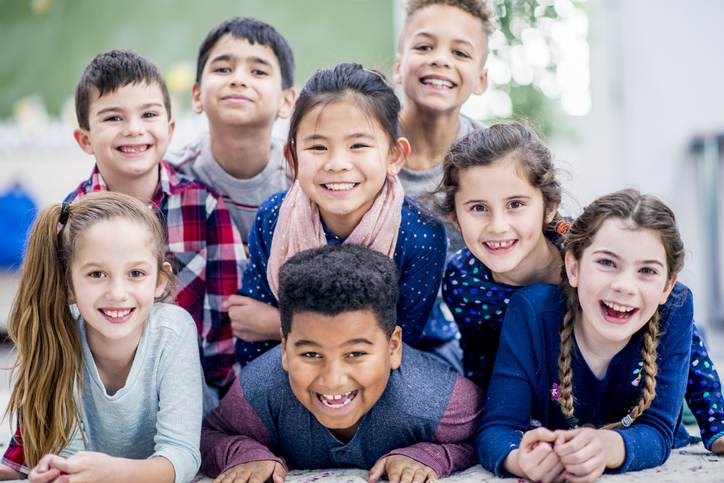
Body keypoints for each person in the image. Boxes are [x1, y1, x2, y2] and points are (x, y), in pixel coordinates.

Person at [440, 123, 724, 454]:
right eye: (478, 208)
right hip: (541, 386)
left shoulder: (585, 254)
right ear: (455, 217)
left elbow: (673, 317)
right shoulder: (462, 280)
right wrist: (499, 429)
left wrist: (715, 422)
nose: (498, 225)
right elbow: (480, 357)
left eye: (516, 204)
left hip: (623, 366)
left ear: (548, 206)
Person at [201, 245, 483, 483]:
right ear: (285, 349)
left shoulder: (432, 400)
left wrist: (426, 455)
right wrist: (244, 453)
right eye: (311, 355)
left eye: (356, 354)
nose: (333, 379)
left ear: (393, 347)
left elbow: (488, 433)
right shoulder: (259, 391)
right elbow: (207, 434)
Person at [231, 63, 447, 367]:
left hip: (409, 363)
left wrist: (277, 324)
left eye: (358, 145)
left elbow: (399, 345)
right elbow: (249, 334)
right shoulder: (274, 217)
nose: (337, 163)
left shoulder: (420, 234)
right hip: (297, 363)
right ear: (292, 158)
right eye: (318, 147)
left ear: (394, 156)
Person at [66, 49, 244, 393]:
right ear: (85, 139)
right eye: (113, 118)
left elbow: (226, 328)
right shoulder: (71, 219)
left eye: (148, 114)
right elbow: (55, 330)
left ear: (169, 128)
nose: (134, 130)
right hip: (96, 390)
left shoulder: (204, 207)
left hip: (191, 389)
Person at [0, 192, 202, 483]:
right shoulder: (61, 332)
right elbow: (67, 452)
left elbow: (182, 456)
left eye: (136, 273)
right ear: (68, 284)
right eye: (96, 274)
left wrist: (115, 473)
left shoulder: (173, 331)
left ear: (159, 280)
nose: (118, 293)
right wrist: (59, 471)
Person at [392, 0, 493, 370]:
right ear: (399, 65)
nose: (440, 59)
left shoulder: (492, 159)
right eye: (424, 47)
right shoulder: (363, 146)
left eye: (460, 52)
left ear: (481, 79)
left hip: (461, 336)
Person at [167, 16, 296, 249]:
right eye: (223, 69)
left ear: (286, 101)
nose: (238, 80)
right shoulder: (171, 175)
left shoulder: (300, 180)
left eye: (258, 72)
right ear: (197, 95)